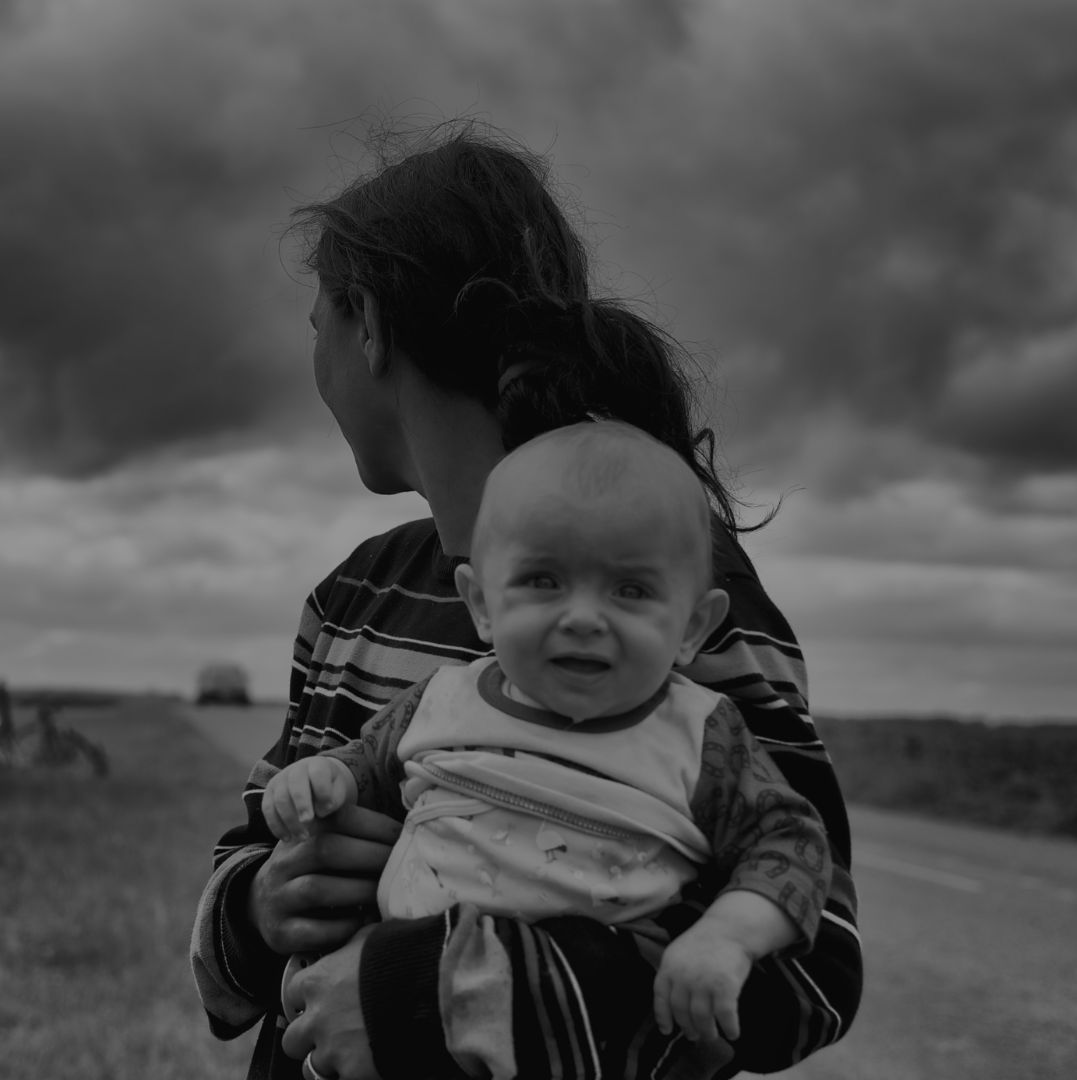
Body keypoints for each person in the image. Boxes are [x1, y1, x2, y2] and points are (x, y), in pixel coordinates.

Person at [190, 123, 862, 1080]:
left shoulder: (676, 599)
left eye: (316, 329)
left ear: (370, 326)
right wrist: (263, 904)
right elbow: (253, 841)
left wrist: (429, 994)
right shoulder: (352, 598)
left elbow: (814, 968)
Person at [259, 421, 832, 1078]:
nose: (584, 616)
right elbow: (364, 766)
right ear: (481, 604)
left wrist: (726, 935)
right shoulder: (441, 698)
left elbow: (793, 844)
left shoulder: (704, 735)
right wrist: (320, 777)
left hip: (571, 1042)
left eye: (632, 590)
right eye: (543, 581)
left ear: (692, 627)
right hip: (384, 1026)